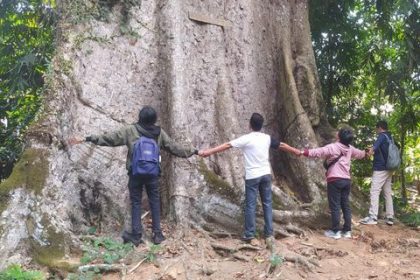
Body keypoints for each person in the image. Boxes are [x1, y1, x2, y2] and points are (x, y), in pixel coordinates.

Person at [69, 106, 198, 246]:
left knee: (136, 202)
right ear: (154, 119)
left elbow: (109, 139)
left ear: (140, 117)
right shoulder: (159, 133)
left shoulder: (130, 130)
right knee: (154, 201)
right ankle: (158, 234)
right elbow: (174, 148)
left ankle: (136, 236)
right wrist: (194, 151)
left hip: (135, 173)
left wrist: (88, 138)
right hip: (153, 174)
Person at [199, 113, 297, 246]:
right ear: (261, 126)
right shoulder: (266, 138)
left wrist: (209, 152)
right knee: (267, 204)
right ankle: (269, 234)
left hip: (253, 176)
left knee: (250, 205)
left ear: (250, 125)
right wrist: (296, 151)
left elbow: (228, 145)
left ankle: (250, 234)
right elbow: (282, 145)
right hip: (266, 175)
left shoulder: (246, 139)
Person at [281, 127, 367, 239]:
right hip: (346, 180)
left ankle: (335, 231)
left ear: (339, 137)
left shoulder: (333, 147)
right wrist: (367, 152)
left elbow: (318, 152)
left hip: (335, 180)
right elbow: (361, 154)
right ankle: (347, 231)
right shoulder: (350, 149)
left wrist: (302, 152)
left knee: (335, 205)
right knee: (345, 205)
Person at [360, 120, 395, 226]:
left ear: (379, 128)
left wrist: (366, 153)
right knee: (387, 193)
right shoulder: (390, 137)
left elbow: (373, 149)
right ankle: (390, 217)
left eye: (376, 128)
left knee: (374, 191)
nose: (376, 130)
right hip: (389, 168)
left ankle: (372, 217)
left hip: (380, 168)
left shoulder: (381, 136)